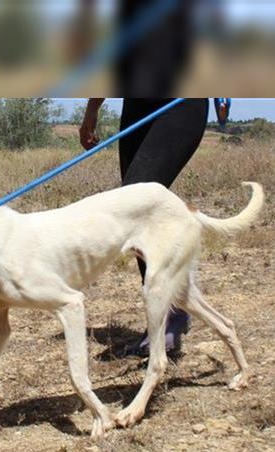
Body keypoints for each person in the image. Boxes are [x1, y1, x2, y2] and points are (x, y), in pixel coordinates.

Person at [79, 97, 211, 356]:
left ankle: (174, 314)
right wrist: (92, 110)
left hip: (180, 104)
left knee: (135, 203)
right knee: (136, 208)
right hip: (136, 107)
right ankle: (169, 312)